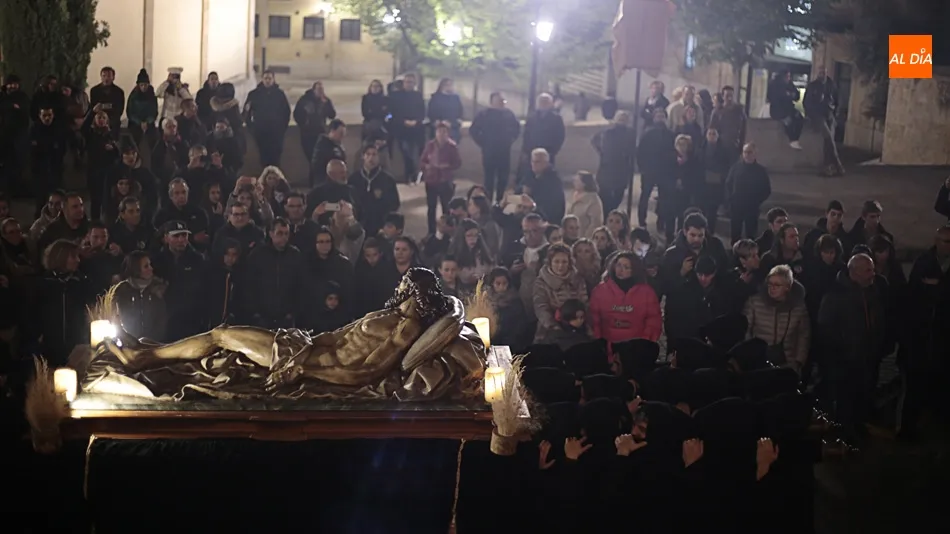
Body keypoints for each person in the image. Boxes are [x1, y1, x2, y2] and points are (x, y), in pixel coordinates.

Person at [743, 265, 810, 376]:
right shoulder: (754, 303)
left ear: (787, 287)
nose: (772, 288)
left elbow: (804, 335)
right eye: (770, 284)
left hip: (788, 362)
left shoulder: (798, 307)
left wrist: (798, 361)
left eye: (777, 285)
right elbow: (746, 330)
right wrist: (750, 355)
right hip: (759, 362)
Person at [589, 251, 662, 343]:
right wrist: (598, 342)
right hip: (607, 345)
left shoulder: (647, 292)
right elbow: (594, 319)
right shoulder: (600, 290)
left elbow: (653, 320)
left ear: (634, 270)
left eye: (626, 267)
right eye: (618, 265)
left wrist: (645, 342)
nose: (620, 270)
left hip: (637, 345)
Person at [469, 92, 520, 203]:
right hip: (489, 151)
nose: (502, 103)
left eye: (503, 101)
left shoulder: (509, 114)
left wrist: (510, 140)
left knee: (503, 177)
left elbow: (517, 128)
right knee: (489, 179)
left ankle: (499, 201)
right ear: (492, 101)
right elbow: (473, 130)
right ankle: (488, 201)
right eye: (499, 101)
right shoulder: (484, 114)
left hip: (504, 150)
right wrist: (483, 142)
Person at [419, 122, 461, 235]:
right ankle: (431, 232)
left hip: (445, 180)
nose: (441, 134)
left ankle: (447, 232)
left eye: (444, 132)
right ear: (435, 133)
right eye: (439, 131)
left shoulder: (452, 147)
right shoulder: (430, 145)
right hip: (431, 180)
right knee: (431, 208)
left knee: (446, 208)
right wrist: (427, 166)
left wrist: (447, 166)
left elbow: (457, 163)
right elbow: (422, 161)